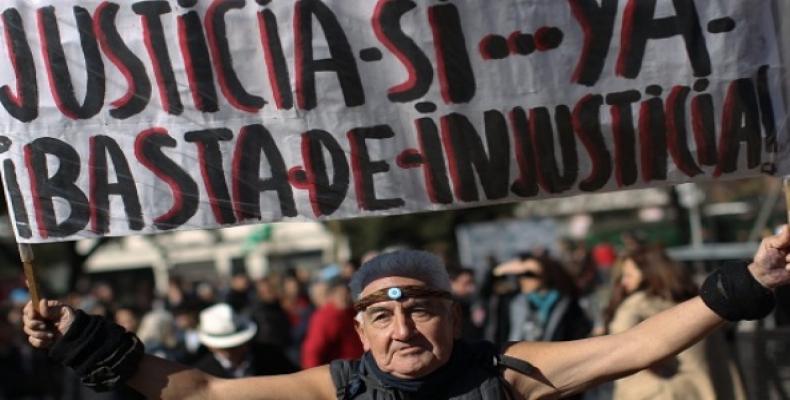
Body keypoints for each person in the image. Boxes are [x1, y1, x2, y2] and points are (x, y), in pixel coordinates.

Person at [21, 227, 790, 399]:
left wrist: (749, 282)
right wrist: (84, 339)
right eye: (383, 319)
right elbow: (204, 394)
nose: (403, 331)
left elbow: (637, 343)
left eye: (421, 313)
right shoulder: (342, 386)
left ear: (453, 319)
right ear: (359, 330)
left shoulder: (508, 373)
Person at [604, 246, 745, 400]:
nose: (624, 282)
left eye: (629, 275)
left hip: (660, 392)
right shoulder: (699, 302)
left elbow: (619, 347)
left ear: (647, 274)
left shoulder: (635, 305)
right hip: (705, 387)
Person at [495, 254, 592, 342]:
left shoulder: (567, 304)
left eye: (529, 275)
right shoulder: (515, 302)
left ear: (545, 276)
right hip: (519, 357)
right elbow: (495, 273)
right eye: (520, 275)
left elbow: (579, 333)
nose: (523, 279)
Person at [193, 303, 298, 378]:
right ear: (210, 347)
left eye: (236, 345)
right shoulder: (201, 373)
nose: (231, 351)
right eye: (224, 348)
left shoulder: (272, 356)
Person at [301, 278, 363, 369]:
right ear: (331, 296)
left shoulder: (353, 312)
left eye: (346, 293)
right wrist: (315, 378)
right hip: (340, 374)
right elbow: (312, 351)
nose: (344, 297)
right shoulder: (325, 317)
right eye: (340, 294)